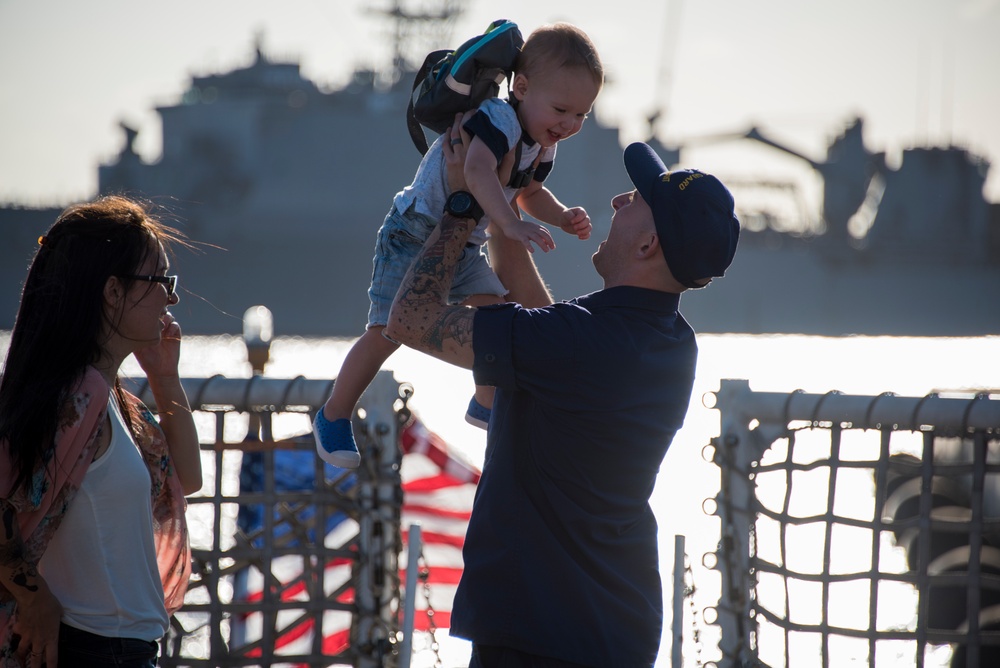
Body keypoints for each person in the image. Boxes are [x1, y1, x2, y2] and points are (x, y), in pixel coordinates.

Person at [384, 119, 740, 667]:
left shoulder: (581, 342)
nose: (621, 200)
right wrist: (501, 205)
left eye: (638, 200)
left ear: (648, 243)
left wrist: (460, 205)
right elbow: (546, 330)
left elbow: (408, 319)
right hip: (610, 628)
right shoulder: (668, 342)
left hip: (539, 634)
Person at [313, 22, 605, 469]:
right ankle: (334, 415)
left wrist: (562, 216)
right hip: (413, 231)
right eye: (562, 110)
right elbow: (477, 172)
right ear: (521, 87)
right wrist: (510, 226)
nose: (569, 124)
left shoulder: (543, 142)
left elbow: (528, 191)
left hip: (463, 243)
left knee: (496, 315)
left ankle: (485, 402)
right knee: (386, 332)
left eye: (581, 115)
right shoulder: (498, 119)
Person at [0, 196, 203, 668]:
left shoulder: (106, 397)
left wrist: (165, 380)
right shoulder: (75, 399)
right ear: (113, 291)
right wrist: (34, 597)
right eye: (160, 281)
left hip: (122, 649)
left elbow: (183, 479)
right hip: (92, 650)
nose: (171, 298)